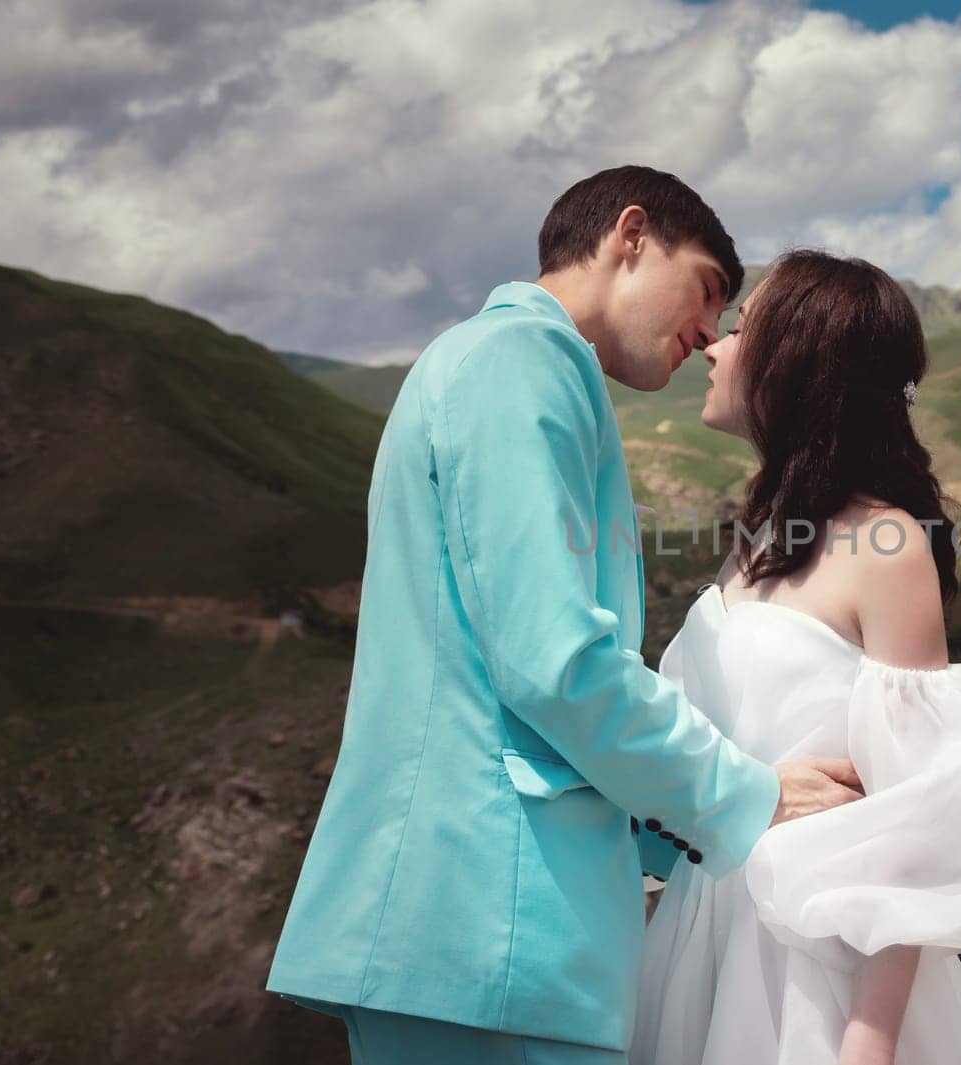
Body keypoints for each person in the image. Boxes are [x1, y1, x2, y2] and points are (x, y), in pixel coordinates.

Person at [264, 168, 864, 1064]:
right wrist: (751, 795)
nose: (709, 329)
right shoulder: (518, 362)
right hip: (491, 927)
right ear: (631, 235)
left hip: (486, 932)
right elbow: (554, 661)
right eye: (707, 287)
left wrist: (650, 857)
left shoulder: (498, 366)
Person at [630, 250, 961, 1065]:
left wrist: (865, 1046)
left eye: (740, 328)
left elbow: (918, 820)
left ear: (797, 359)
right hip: (697, 942)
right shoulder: (764, 539)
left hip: (809, 977)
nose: (713, 346)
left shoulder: (889, 546)